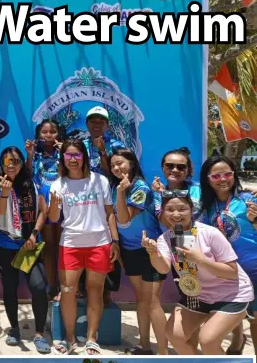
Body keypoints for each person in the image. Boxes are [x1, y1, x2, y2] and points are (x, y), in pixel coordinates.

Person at [143, 190, 254, 355]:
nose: (176, 214)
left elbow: (232, 272)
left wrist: (201, 260)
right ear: (163, 213)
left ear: (191, 208)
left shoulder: (210, 233)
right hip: (199, 295)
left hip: (232, 295)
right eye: (170, 209)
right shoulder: (166, 238)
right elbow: (163, 268)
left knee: (207, 340)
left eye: (182, 209)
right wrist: (153, 253)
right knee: (174, 335)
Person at [48, 139, 119, 355]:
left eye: (76, 155)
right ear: (62, 158)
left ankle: (91, 338)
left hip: (99, 243)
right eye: (68, 155)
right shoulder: (58, 184)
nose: (72, 159)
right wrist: (53, 203)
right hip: (70, 244)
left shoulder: (100, 181)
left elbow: (109, 213)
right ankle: (70, 339)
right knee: (68, 291)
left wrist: (114, 241)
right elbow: (53, 218)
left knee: (94, 290)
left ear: (84, 157)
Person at [0, 146, 50, 352]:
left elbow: (43, 211)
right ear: (2, 164)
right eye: (8, 162)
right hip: (5, 245)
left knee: (39, 288)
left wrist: (34, 233)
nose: (12, 165)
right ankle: (14, 329)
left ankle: (39, 334)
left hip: (29, 246)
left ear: (22, 163)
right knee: (10, 288)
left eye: (16, 161)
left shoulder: (33, 183)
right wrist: (5, 193)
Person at [108, 148, 167, 355]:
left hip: (149, 249)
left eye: (120, 163)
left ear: (131, 164)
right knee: (141, 299)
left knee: (153, 301)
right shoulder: (116, 188)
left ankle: (163, 352)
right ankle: (144, 346)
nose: (116, 168)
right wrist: (116, 242)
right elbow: (113, 218)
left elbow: (124, 218)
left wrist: (122, 193)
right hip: (129, 250)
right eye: (113, 164)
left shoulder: (140, 187)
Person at [198, 156, 257, 355]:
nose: (223, 179)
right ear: (208, 179)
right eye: (216, 175)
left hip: (253, 266)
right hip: (226, 270)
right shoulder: (206, 207)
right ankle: (238, 340)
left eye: (228, 174)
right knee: (231, 309)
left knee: (255, 318)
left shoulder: (249, 200)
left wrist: (255, 221)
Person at [81, 106, 125, 304]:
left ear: (107, 124)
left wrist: (102, 154)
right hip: (83, 201)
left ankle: (108, 289)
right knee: (84, 242)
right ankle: (83, 288)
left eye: (101, 121)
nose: (96, 124)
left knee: (110, 245)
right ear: (87, 123)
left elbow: (113, 175)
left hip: (108, 199)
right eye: (93, 120)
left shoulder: (116, 145)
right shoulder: (79, 144)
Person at [26, 119, 63, 301]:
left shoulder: (67, 152)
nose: (49, 135)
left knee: (64, 246)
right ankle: (52, 286)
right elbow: (26, 174)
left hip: (65, 204)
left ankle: (65, 286)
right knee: (49, 247)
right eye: (44, 132)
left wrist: (64, 152)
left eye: (53, 131)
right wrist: (30, 155)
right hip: (43, 205)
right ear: (38, 134)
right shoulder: (37, 155)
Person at [152, 147, 202, 219]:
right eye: (169, 166)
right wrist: (164, 194)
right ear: (163, 168)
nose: (175, 170)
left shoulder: (200, 189)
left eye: (181, 167)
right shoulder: (158, 194)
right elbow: (162, 220)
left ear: (188, 170)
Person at [82, 106, 126, 176]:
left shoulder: (117, 146)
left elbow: (123, 172)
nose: (97, 124)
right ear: (86, 124)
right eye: (92, 121)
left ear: (107, 126)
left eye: (101, 122)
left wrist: (102, 152)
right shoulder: (81, 146)